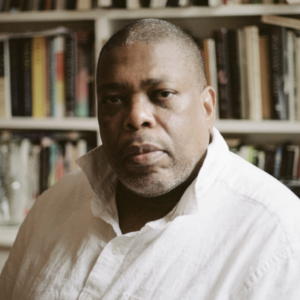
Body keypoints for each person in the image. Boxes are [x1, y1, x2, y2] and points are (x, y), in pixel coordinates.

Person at [1, 19, 300, 300]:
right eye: (114, 99)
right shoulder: (54, 204)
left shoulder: (279, 237)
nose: (136, 117)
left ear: (207, 108)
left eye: (162, 94)